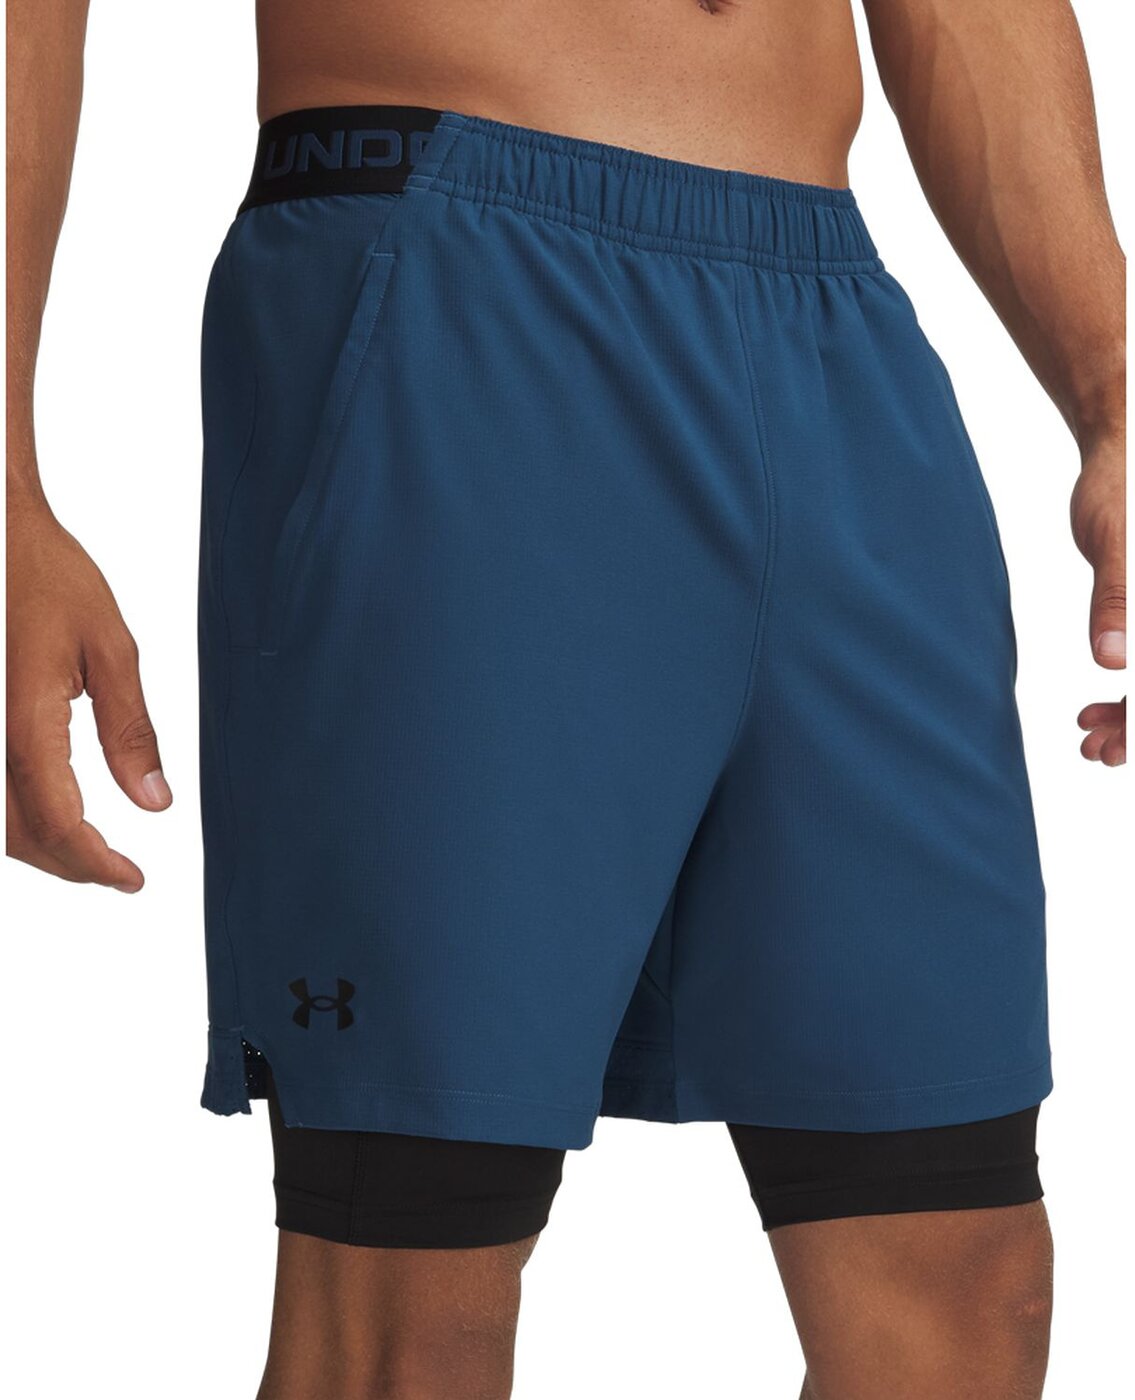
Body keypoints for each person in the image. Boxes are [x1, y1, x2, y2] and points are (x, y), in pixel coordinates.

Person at [7, 1, 1126, 1396]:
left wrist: (1117, 394)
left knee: (968, 1288)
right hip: (458, 267)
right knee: (413, 1311)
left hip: (836, 325)